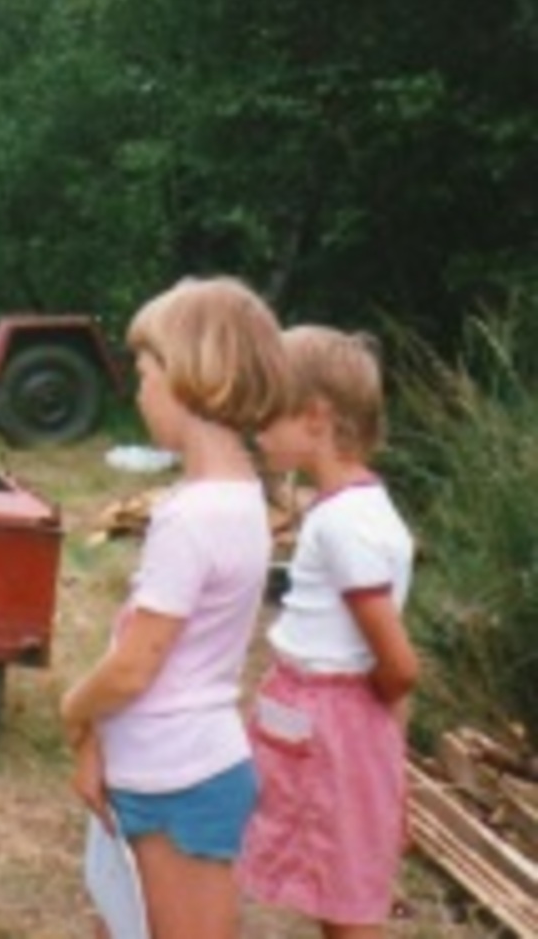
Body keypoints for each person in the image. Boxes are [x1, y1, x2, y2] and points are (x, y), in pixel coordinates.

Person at [60, 275, 291, 938]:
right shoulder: (235, 498)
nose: (138, 392)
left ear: (195, 376)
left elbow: (134, 667)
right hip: (152, 766)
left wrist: (74, 709)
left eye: (145, 374)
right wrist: (95, 745)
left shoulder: (194, 516)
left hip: (180, 780)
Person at [238, 327, 419, 938]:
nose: (257, 429)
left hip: (331, 724)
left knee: (344, 894)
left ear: (316, 417)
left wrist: (358, 714)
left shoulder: (343, 525)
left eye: (268, 413)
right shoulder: (354, 508)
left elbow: (399, 665)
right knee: (334, 880)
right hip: (314, 716)